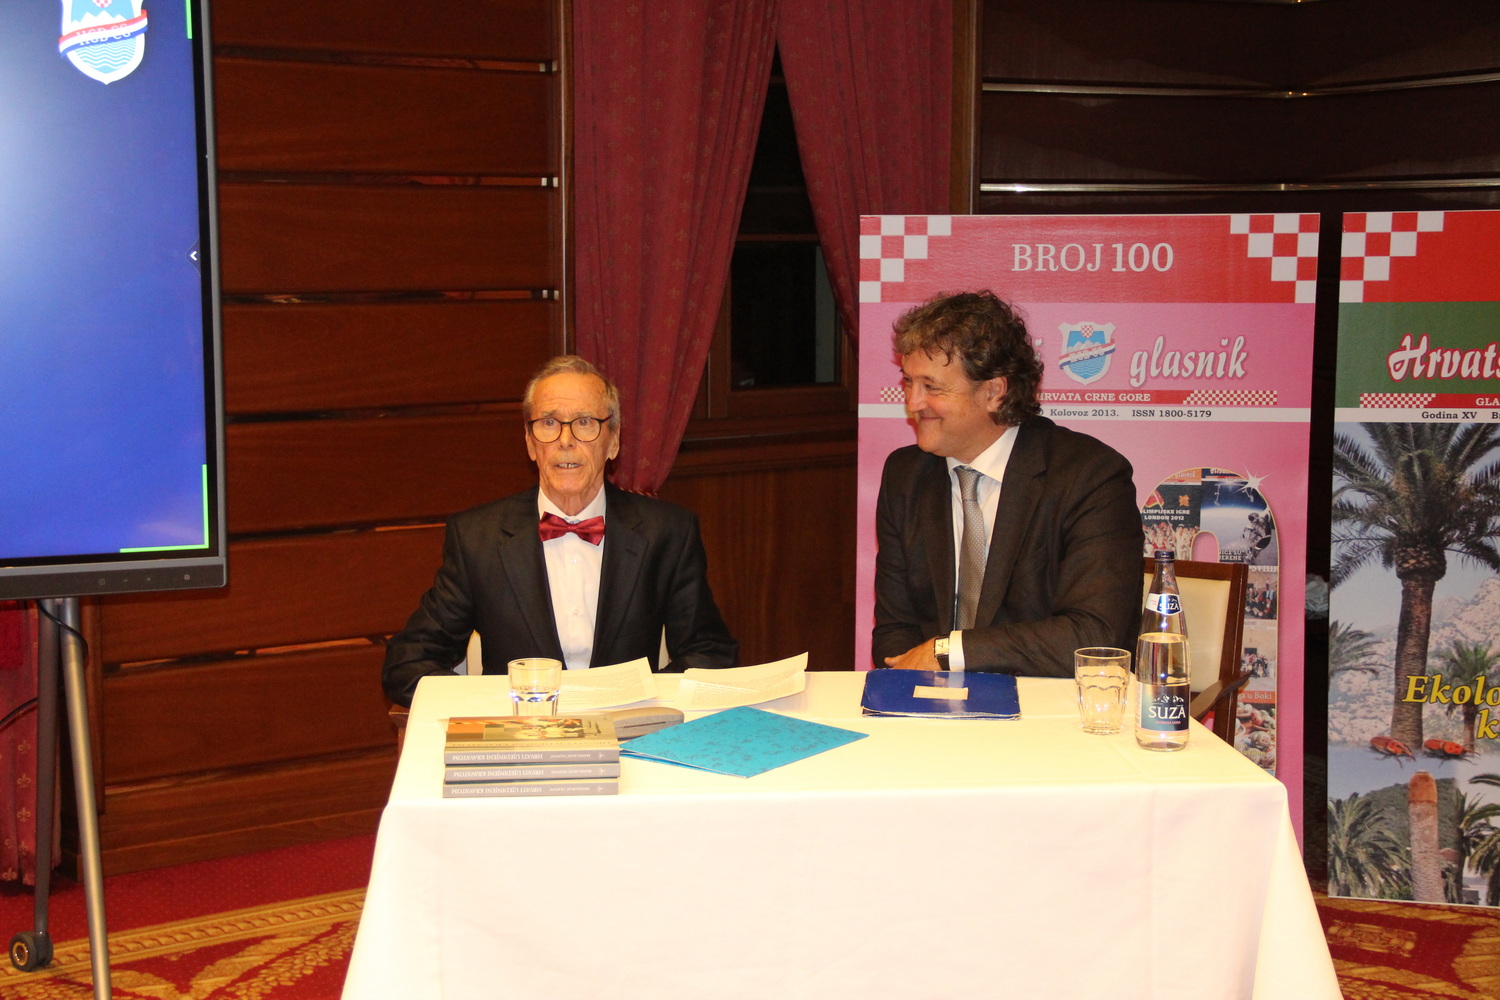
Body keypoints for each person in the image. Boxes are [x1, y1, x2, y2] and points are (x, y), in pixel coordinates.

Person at [382, 355, 737, 706]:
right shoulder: (478, 539)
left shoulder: (668, 532)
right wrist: (498, 707)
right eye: (549, 422)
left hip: (628, 733)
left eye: (584, 422)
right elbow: (407, 663)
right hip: (523, 733)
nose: (565, 440)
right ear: (530, 442)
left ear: (613, 441)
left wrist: (647, 702)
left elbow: (711, 653)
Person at [872, 291, 1144, 677]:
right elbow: (895, 630)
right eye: (909, 382)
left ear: (993, 392)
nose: (913, 403)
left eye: (931, 387)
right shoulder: (905, 475)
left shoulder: (1089, 476)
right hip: (934, 704)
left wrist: (949, 651)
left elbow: (1094, 635)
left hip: (1047, 706)